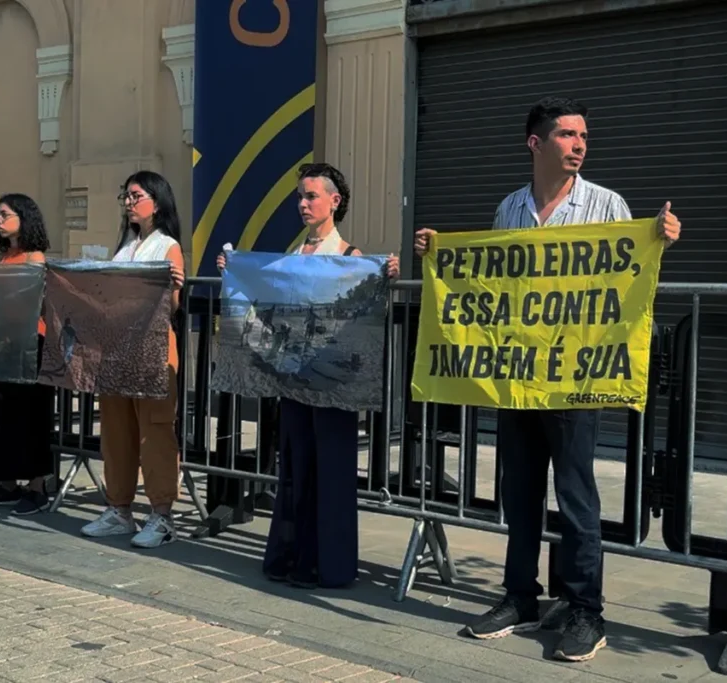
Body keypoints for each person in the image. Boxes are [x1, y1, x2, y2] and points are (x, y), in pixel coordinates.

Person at [414, 96, 681, 662]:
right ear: (535, 143)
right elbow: (489, 289)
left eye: (584, 134)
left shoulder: (607, 205)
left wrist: (660, 237)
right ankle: (519, 597)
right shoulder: (509, 209)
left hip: (574, 378)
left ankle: (587, 610)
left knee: (577, 494)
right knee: (521, 491)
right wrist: (438, 254)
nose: (579, 143)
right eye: (566, 134)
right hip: (517, 376)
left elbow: (628, 275)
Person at [217, 163, 400, 588]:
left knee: (333, 471)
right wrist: (235, 269)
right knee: (296, 466)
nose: (302, 204)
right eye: (300, 196)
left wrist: (385, 277)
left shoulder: (353, 259)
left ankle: (329, 565)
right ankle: (293, 556)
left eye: (311, 196)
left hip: (335, 381)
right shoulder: (294, 257)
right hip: (295, 378)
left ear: (335, 201)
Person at [80, 170, 186, 549]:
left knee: (154, 430)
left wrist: (173, 288)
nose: (128, 202)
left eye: (136, 195)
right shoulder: (125, 249)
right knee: (116, 430)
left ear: (156, 202)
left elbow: (172, 305)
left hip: (153, 349)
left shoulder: (167, 246)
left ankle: (161, 514)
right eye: (125, 196)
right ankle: (119, 508)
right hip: (118, 351)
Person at [0, 193, 56, 516]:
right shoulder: (4, 258)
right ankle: (5, 483)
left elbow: (30, 302)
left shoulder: (35, 258)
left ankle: (36, 486)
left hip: (30, 343)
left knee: (30, 415)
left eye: (4, 215)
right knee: (1, 415)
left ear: (23, 217)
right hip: (3, 342)